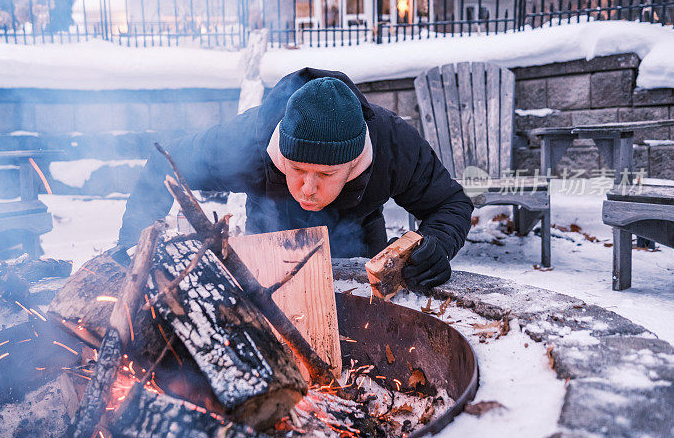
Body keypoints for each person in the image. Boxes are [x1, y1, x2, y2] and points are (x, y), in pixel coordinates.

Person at [119, 68, 473, 290]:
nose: (307, 188)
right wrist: (132, 251)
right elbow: (164, 163)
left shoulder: (392, 144)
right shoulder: (248, 141)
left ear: (353, 164)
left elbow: (450, 203)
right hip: (263, 269)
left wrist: (437, 245)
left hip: (358, 271)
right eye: (297, 169)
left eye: (325, 174)